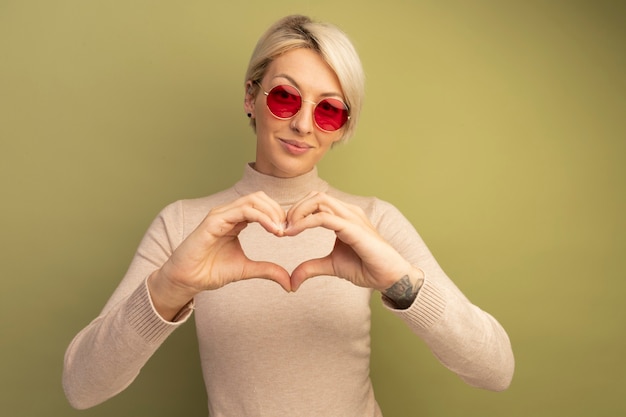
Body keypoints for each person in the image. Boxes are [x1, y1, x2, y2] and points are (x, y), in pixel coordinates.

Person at [63, 14, 514, 416]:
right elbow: (81, 388)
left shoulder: (373, 221)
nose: (302, 124)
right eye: (285, 97)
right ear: (250, 97)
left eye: (329, 110)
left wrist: (399, 279)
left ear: (343, 126)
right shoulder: (183, 224)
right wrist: (171, 286)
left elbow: (496, 370)